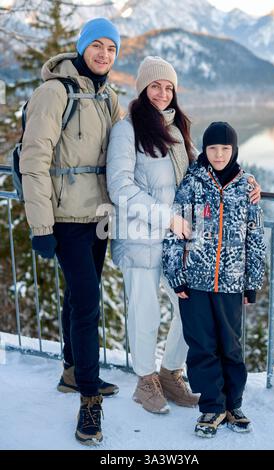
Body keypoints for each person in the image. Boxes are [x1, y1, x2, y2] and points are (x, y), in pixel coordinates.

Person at [106, 57, 261, 415]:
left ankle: (170, 371)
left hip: (179, 245)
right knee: (145, 313)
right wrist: (168, 218)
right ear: (143, 88)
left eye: (169, 87)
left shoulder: (176, 132)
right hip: (141, 237)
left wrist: (246, 181)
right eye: (155, 86)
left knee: (190, 312)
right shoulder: (126, 131)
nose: (162, 93)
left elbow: (205, 171)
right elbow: (120, 186)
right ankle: (146, 381)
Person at [20, 17, 121, 445]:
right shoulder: (53, 93)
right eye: (96, 45)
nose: (104, 54)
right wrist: (40, 225)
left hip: (96, 217)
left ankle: (70, 371)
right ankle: (88, 399)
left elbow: (136, 147)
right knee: (88, 304)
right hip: (64, 218)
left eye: (112, 49)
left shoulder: (108, 97)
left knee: (78, 295)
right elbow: (34, 160)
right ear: (81, 48)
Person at [163, 121, 266, 438]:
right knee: (202, 348)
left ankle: (233, 404)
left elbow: (255, 238)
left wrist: (252, 281)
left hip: (232, 284)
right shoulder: (191, 184)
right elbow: (174, 233)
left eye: (225, 148)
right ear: (204, 150)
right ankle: (212, 406)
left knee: (231, 347)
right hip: (195, 282)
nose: (219, 154)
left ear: (233, 150)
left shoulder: (246, 187)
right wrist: (176, 275)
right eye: (212, 148)